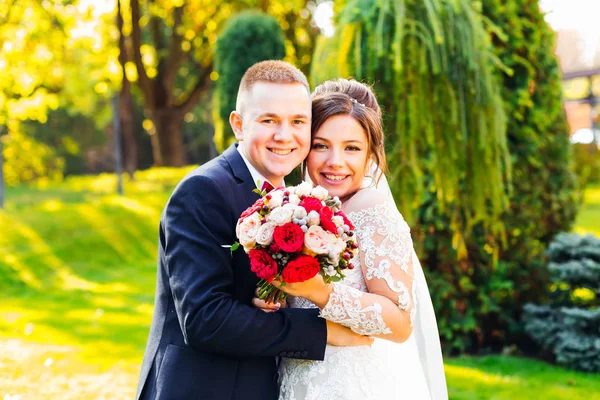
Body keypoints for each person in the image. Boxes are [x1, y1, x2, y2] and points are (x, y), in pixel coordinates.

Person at [136, 63, 373, 400]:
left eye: (297, 122)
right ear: (238, 125)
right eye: (268, 120)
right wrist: (321, 332)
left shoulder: (292, 199)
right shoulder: (203, 191)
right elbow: (205, 320)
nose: (284, 135)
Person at [260, 78, 448, 399]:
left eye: (351, 148)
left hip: (353, 384)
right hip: (297, 379)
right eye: (321, 145)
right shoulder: (297, 209)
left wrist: (321, 292)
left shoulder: (371, 208)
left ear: (370, 153)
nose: (335, 161)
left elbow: (400, 323)